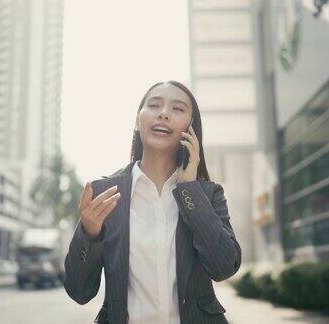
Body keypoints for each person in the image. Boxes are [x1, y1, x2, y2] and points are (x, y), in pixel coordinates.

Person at [64, 81, 242, 324]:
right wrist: (89, 233)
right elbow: (79, 291)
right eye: (155, 105)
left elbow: (224, 267)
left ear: (191, 128)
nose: (164, 113)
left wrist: (189, 189)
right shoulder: (104, 195)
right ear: (138, 121)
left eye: (177, 108)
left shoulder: (208, 195)